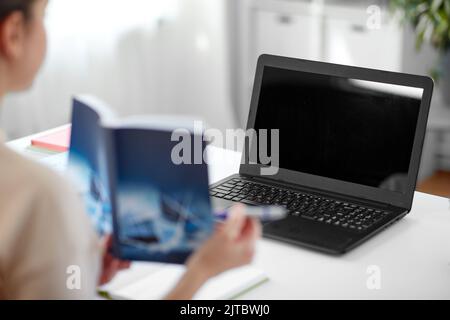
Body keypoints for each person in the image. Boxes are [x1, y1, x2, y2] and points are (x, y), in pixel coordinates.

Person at [0, 0, 261, 300]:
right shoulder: (41, 198)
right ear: (13, 34)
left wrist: (76, 274)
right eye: (44, 16)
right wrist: (202, 268)